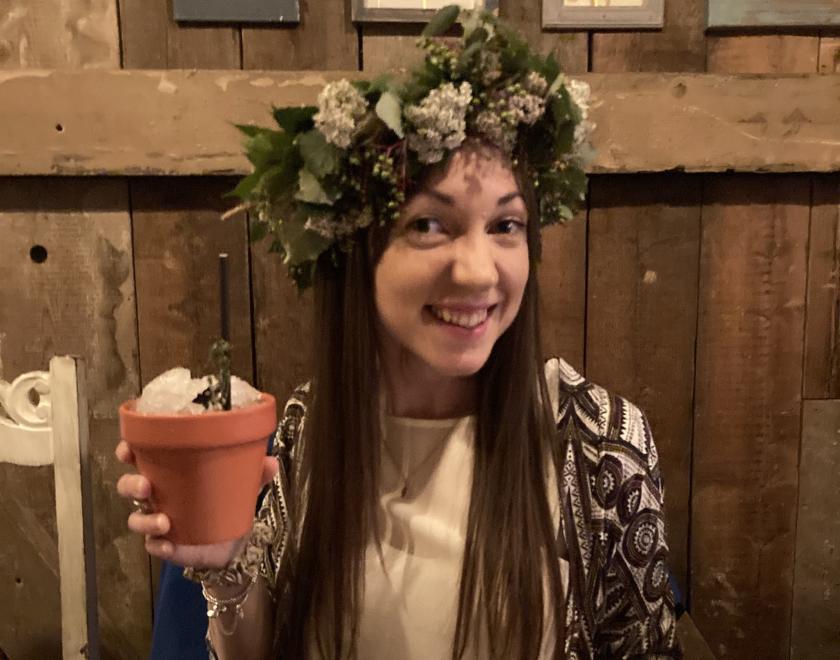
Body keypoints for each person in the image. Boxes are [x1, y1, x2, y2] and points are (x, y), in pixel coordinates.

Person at [116, 7, 682, 659]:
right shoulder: (306, 429)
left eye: (506, 226)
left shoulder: (600, 447)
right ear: (358, 254)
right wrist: (224, 564)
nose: (478, 272)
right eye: (428, 225)